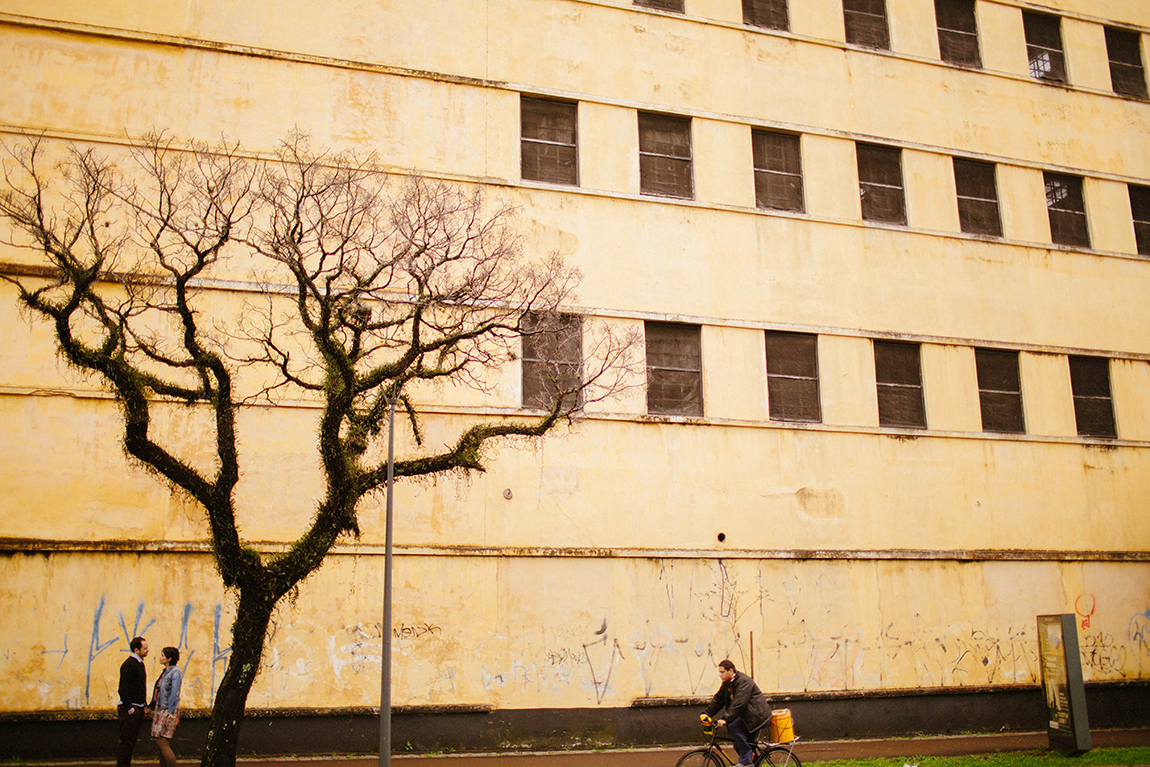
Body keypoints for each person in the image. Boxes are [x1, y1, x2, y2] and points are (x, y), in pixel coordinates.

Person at [705, 659, 772, 767]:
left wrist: (725, 719)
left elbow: (738, 704)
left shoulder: (743, 682)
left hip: (758, 716)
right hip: (748, 716)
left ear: (731, 671)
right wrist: (707, 713)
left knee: (733, 727)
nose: (720, 675)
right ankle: (750, 760)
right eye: (719, 672)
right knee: (739, 744)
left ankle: (746, 761)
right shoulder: (727, 684)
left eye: (722, 672)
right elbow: (719, 699)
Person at [117, 637, 149, 767]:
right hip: (130, 709)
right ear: (136, 650)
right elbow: (122, 688)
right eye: (145, 648)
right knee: (127, 741)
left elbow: (140, 687)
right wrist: (130, 708)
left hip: (137, 707)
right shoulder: (129, 664)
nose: (148, 650)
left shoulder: (140, 663)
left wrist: (144, 705)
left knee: (131, 741)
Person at [149, 646, 183, 767]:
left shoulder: (175, 672)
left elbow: (175, 693)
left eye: (163, 655)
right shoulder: (165, 672)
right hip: (161, 709)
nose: (160, 657)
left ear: (169, 658)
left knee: (163, 742)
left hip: (168, 710)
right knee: (160, 743)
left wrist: (170, 712)